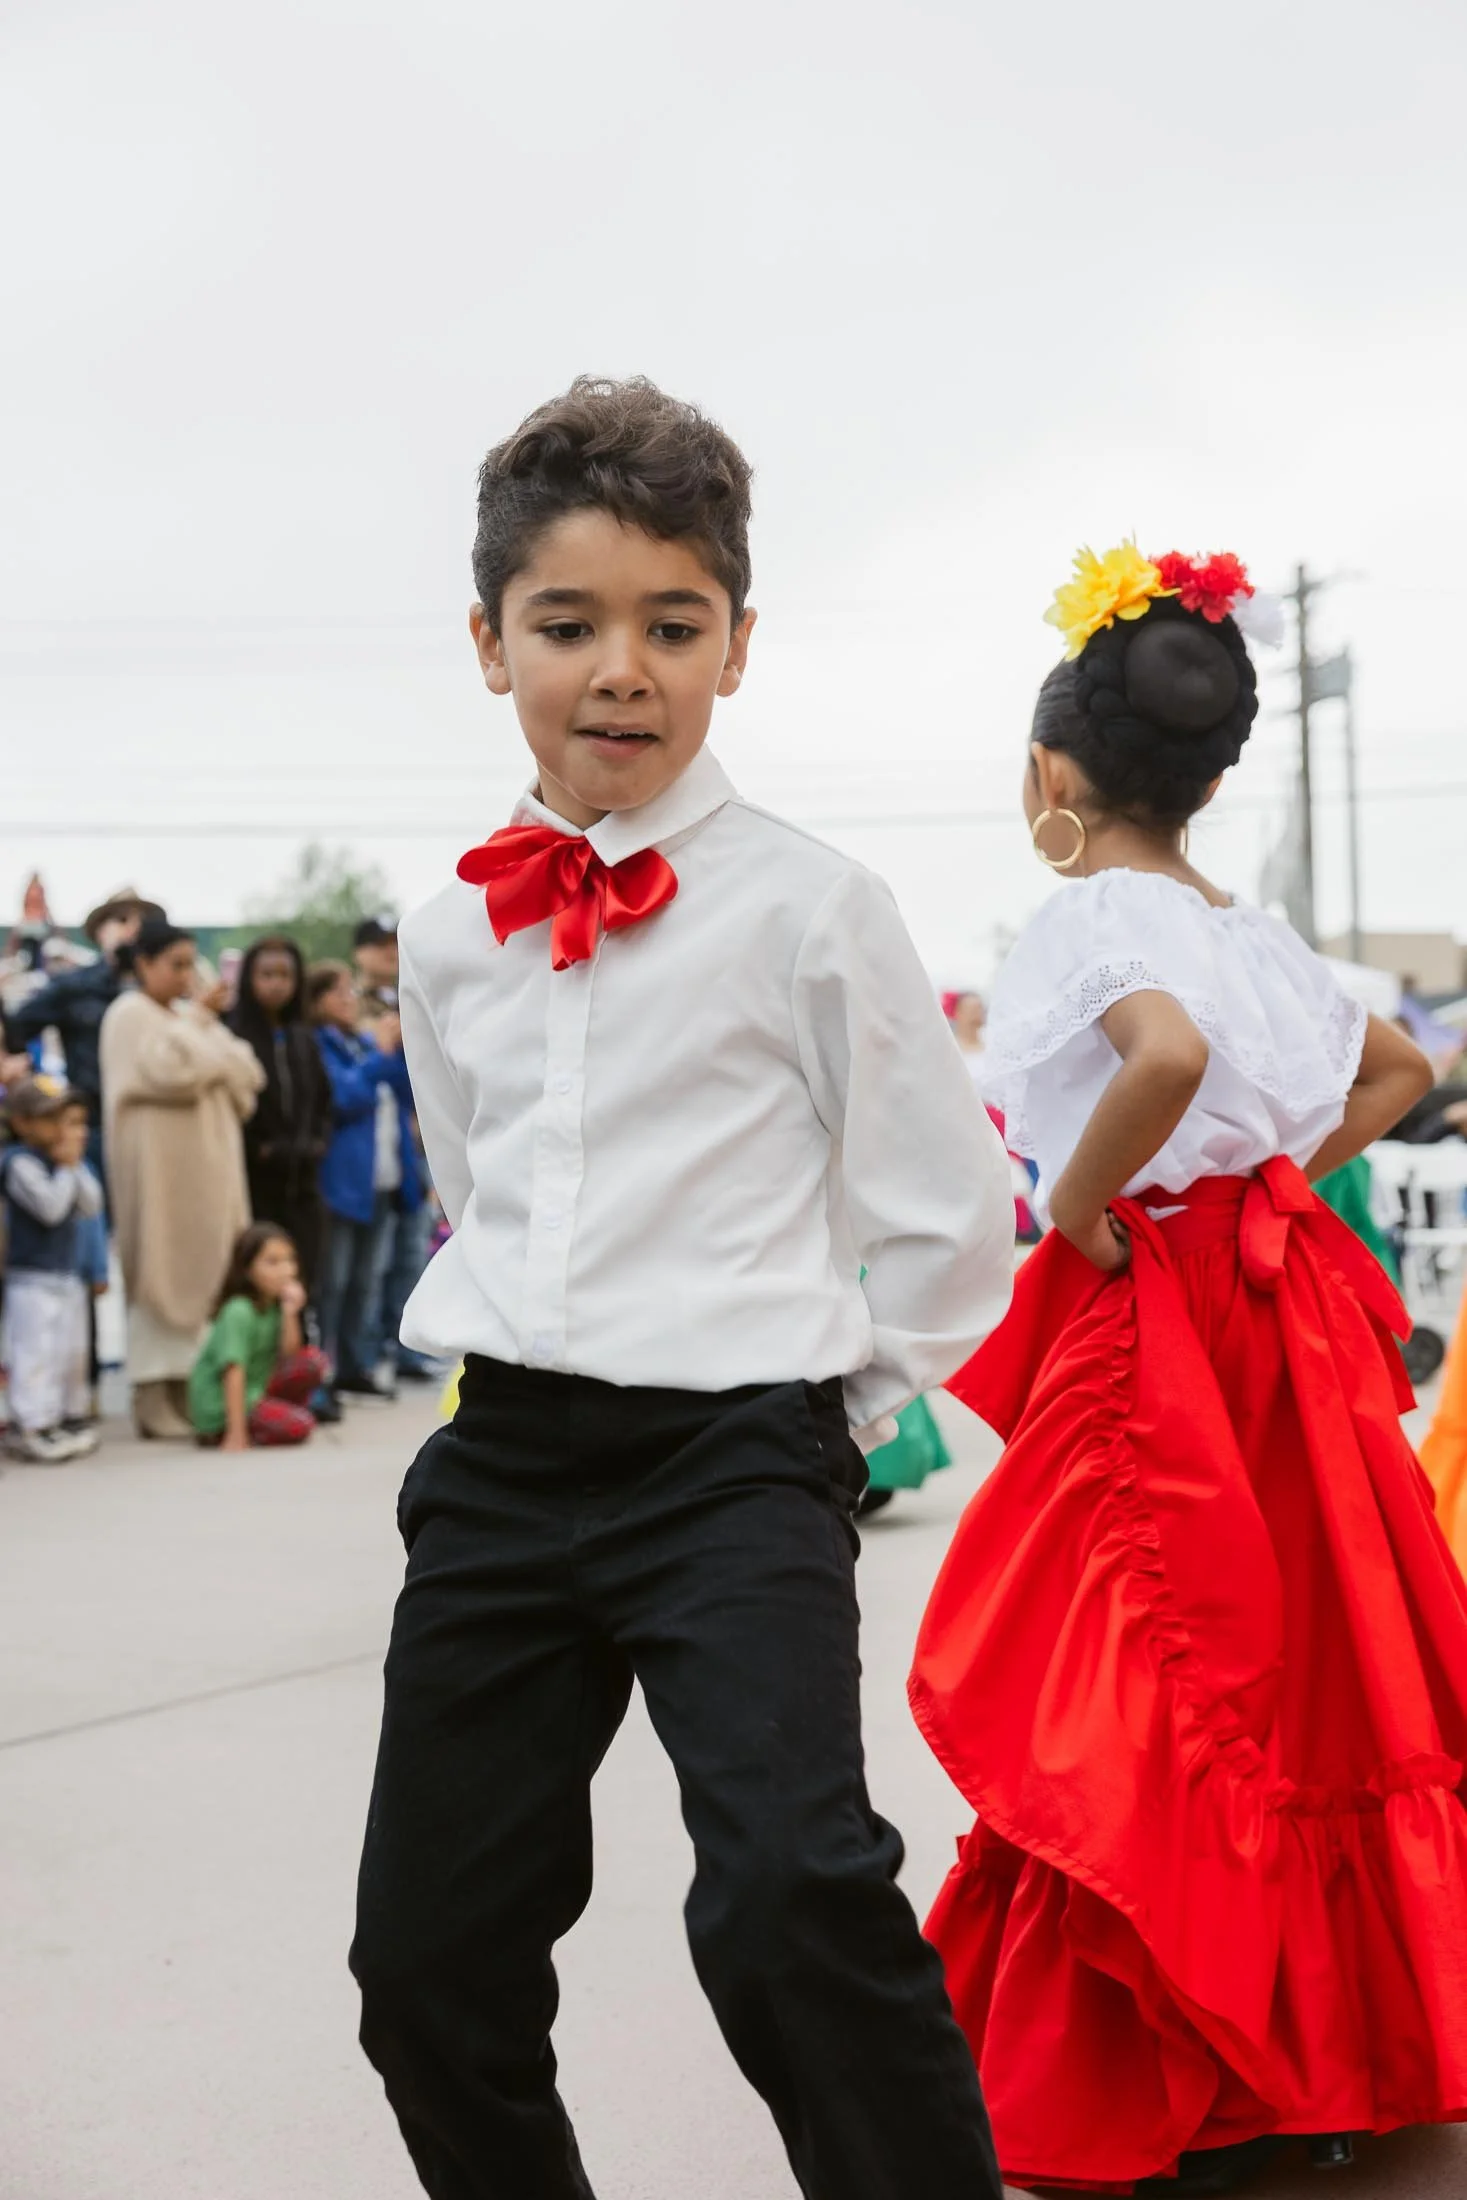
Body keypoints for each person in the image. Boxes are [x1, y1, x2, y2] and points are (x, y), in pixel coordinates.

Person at [346, 375, 1015, 2200]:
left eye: (670, 623)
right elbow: (476, 1184)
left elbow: (946, 1213)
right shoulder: (442, 928)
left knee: (793, 1899)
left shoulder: (811, 906)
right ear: (490, 647)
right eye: (566, 625)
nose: (619, 668)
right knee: (424, 1967)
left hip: (732, 1462)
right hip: (501, 1469)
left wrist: (832, 1415)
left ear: (735, 645)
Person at [908, 542, 1467, 2197]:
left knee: (1147, 1660)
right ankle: (1346, 2045)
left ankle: (1185, 2054)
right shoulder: (1259, 931)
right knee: (1308, 1652)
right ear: (1213, 775)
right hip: (1278, 1313)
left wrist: (1079, 1206)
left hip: (1159, 1306)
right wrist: (1274, 1178)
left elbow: (1162, 1054)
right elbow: (1392, 1060)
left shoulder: (1092, 912)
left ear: (1049, 774)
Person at [100, 919, 265, 1441]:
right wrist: (197, 1028)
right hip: (158, 1176)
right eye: (174, 964)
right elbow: (165, 1072)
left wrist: (200, 1033)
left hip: (210, 1176)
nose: (186, 975)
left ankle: (191, 1392)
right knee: (160, 1271)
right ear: (143, 964)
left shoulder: (188, 1020)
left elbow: (247, 1074)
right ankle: (152, 1397)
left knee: (207, 1273)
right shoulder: (129, 1015)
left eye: (191, 964)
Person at [2, 886, 164, 1189]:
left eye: (141, 921)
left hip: (153, 1122)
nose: (132, 927)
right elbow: (16, 1030)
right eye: (121, 919)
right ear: (101, 930)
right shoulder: (74, 987)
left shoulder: (168, 988)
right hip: (94, 1125)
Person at [309, 961, 420, 1400]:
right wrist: (380, 1054)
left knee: (368, 1279)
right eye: (338, 994)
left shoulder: (359, 1044)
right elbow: (342, 1097)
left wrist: (402, 1046)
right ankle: (325, 1371)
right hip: (343, 1182)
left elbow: (407, 1090)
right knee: (333, 1281)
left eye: (350, 993)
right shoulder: (319, 1046)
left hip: (384, 1178)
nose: (349, 1001)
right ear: (315, 1001)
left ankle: (358, 1366)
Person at [0, 1077, 103, 1462]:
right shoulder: (19, 1163)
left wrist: (74, 1167)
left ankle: (61, 1417)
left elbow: (92, 1206)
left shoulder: (64, 1163)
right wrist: (66, 1170)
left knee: (67, 1351)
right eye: (49, 1119)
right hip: (31, 1278)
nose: (61, 1128)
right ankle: (30, 1425)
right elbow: (51, 1208)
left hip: (66, 1274)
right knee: (35, 1353)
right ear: (23, 1122)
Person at [227, 936, 332, 1297]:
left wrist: (317, 1143)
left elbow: (322, 1100)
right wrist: (262, 1150)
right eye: (266, 974)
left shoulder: (304, 1036)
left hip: (303, 1186)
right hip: (256, 1187)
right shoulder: (234, 1035)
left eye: (285, 974)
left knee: (302, 1286)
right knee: (257, 1288)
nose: (276, 984)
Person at [188, 1223, 330, 1450]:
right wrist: (236, 1433)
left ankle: (270, 1416)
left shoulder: (274, 1304)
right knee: (300, 1427)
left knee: (314, 1361)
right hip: (224, 1406)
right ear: (247, 1268)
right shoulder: (239, 1310)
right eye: (272, 1262)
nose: (285, 1270)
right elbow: (233, 1370)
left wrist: (290, 1312)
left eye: (289, 1260)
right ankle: (230, 1429)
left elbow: (290, 1354)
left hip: (256, 1391)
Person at [353, 915, 400, 1014]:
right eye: (382, 944)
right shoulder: (348, 1002)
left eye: (396, 943)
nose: (392, 952)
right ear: (359, 953)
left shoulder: (411, 997)